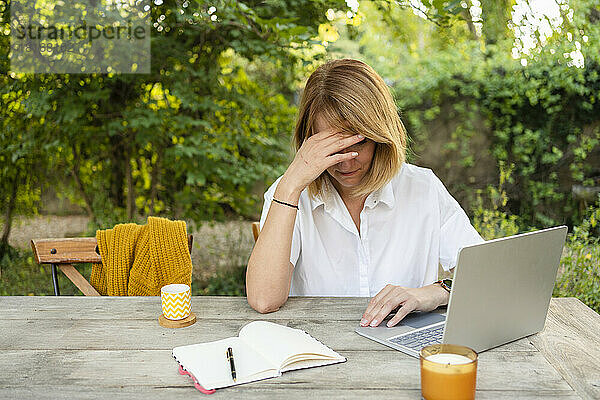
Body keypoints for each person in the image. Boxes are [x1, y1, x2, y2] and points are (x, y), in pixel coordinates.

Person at [246, 58, 483, 328]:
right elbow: (264, 300)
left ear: (380, 136)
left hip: (405, 354)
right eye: (332, 148)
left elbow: (487, 274)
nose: (346, 163)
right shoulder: (288, 194)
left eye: (358, 142)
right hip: (316, 352)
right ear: (309, 141)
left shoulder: (423, 188)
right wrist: (289, 187)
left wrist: (435, 293)